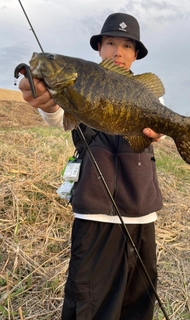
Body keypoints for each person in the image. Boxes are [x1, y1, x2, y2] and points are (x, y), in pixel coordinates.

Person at [19, 12, 164, 320]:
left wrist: (161, 131)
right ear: (99, 49)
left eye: (127, 46)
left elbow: (158, 122)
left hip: (142, 218)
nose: (118, 52)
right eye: (110, 43)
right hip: (93, 218)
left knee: (137, 305)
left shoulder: (146, 94)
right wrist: (45, 101)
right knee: (89, 307)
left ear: (136, 54)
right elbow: (58, 114)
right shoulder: (80, 81)